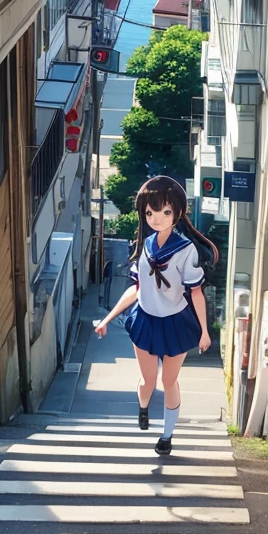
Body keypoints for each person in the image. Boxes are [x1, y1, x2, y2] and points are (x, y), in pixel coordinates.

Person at [94, 175, 218, 455]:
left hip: (176, 322)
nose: (156, 218)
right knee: (148, 380)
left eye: (164, 212)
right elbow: (136, 290)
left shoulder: (186, 251)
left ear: (177, 213)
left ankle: (167, 436)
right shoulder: (145, 246)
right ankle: (143, 408)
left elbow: (196, 293)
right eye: (150, 212)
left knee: (169, 381)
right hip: (146, 319)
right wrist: (107, 320)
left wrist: (204, 331)